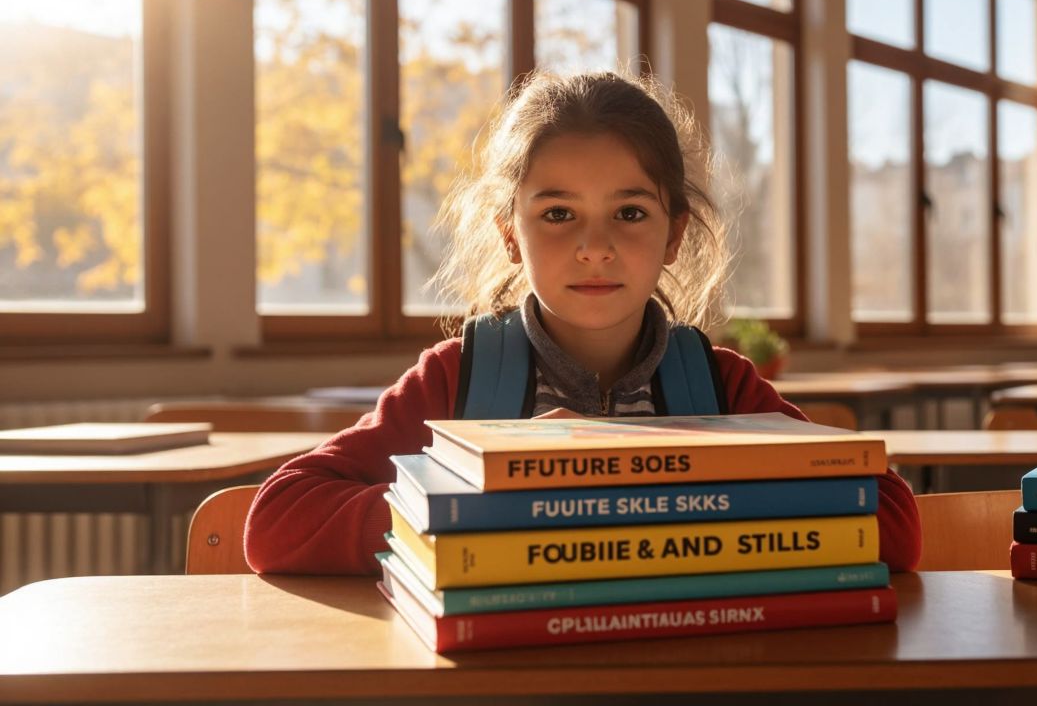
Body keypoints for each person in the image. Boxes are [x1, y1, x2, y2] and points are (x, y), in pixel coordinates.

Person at [244, 71, 921, 574]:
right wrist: (466, 503)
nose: (594, 247)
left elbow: (893, 522)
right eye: (558, 214)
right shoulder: (457, 380)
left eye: (629, 213)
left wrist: (671, 490)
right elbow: (275, 521)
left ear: (675, 235)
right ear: (511, 234)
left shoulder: (719, 386)